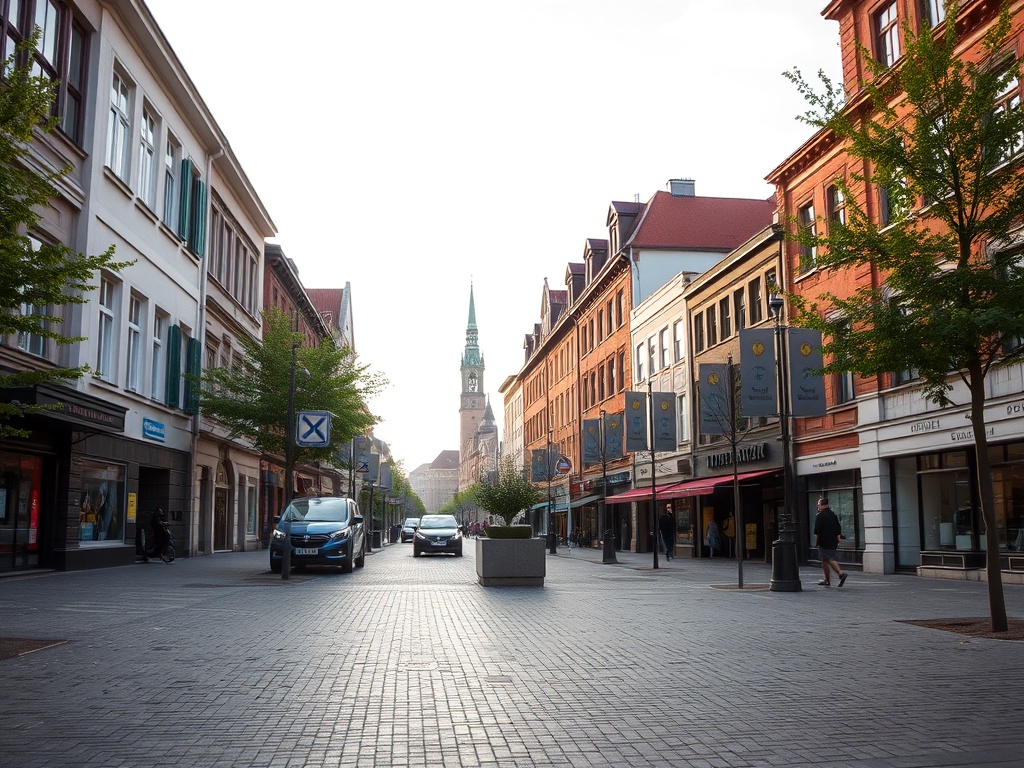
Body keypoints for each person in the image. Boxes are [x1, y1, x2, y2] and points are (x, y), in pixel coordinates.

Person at [813, 497, 847, 587]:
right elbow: (838, 528)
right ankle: (827, 580)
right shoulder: (833, 514)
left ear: (822, 505)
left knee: (829, 558)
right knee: (825, 560)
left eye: (818, 505)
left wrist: (817, 543)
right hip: (833, 540)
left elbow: (817, 531)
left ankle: (840, 573)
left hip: (824, 541)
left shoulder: (820, 516)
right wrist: (838, 538)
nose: (818, 506)